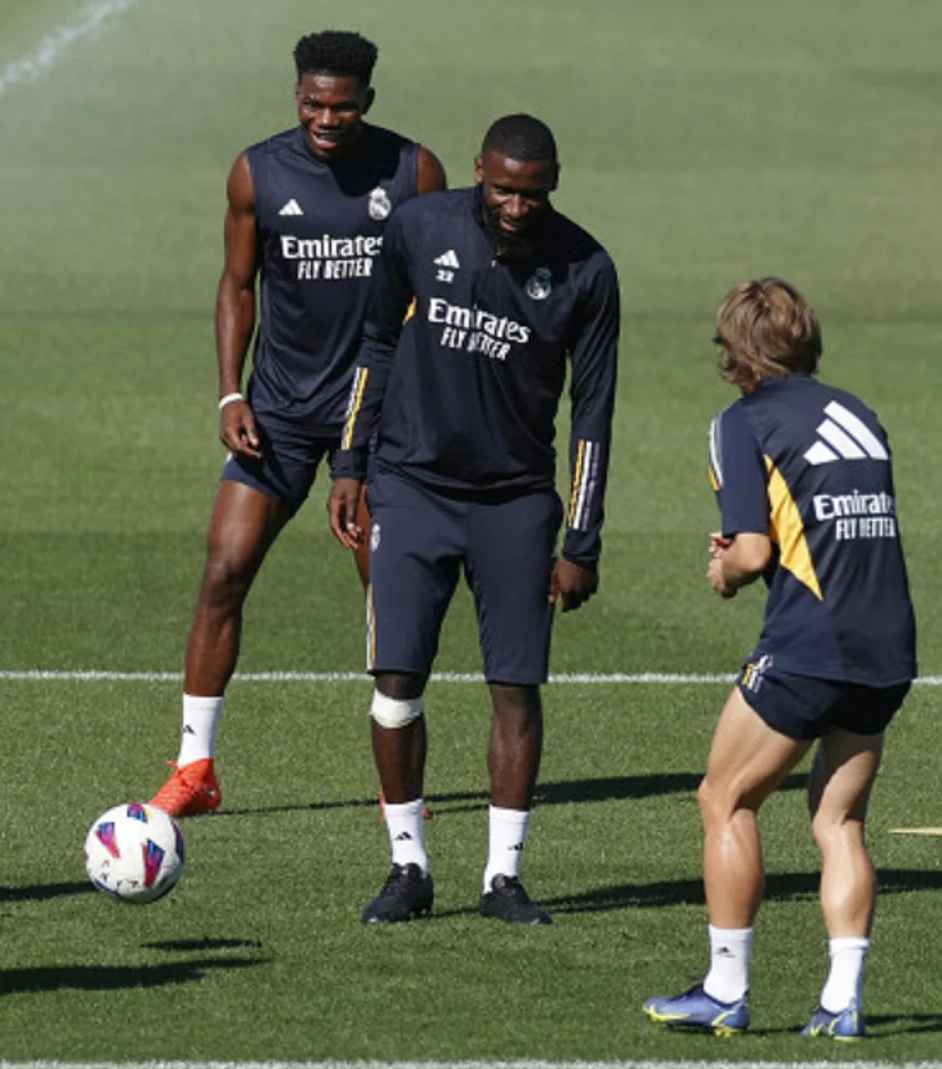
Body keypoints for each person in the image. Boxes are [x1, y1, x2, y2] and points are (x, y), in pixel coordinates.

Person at [327, 114, 619, 925]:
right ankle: (408, 866)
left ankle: (502, 877)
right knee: (395, 686)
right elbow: (375, 341)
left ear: (553, 184)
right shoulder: (422, 227)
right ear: (478, 172)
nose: (516, 206)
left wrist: (581, 539)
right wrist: (350, 464)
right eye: (501, 189)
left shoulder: (587, 269)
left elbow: (593, 412)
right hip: (411, 488)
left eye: (533, 193)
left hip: (515, 503)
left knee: (515, 690)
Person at [149, 30, 445, 818]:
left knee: (388, 603)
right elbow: (237, 283)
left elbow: (432, 295)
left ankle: (397, 782)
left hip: (376, 420)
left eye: (341, 106)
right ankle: (195, 765)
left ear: (367, 103)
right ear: (297, 96)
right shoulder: (258, 170)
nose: (326, 118)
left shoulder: (414, 172)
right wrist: (227, 393)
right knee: (223, 570)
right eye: (313, 103)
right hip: (276, 410)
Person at [643, 279, 915, 1040]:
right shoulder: (858, 412)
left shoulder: (743, 421)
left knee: (724, 798)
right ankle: (843, 1000)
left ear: (733, 350)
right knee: (839, 819)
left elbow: (759, 549)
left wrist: (726, 570)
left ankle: (726, 987)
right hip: (887, 650)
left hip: (808, 648)